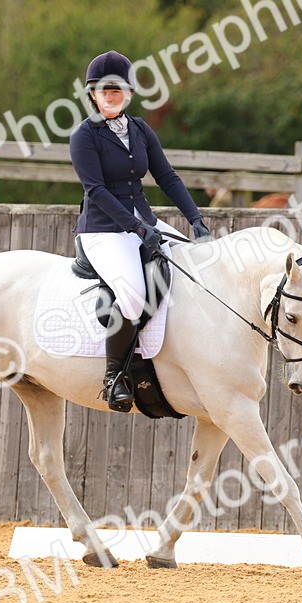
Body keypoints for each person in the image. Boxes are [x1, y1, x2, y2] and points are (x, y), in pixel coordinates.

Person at [69, 50, 212, 412]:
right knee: (132, 295)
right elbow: (96, 191)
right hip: (103, 229)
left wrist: (195, 219)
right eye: (103, 90)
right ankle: (115, 376)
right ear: (92, 95)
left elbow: (166, 176)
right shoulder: (84, 136)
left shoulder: (140, 129)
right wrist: (137, 227)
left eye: (117, 89)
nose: (111, 95)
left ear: (129, 93)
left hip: (141, 220)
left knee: (191, 266)